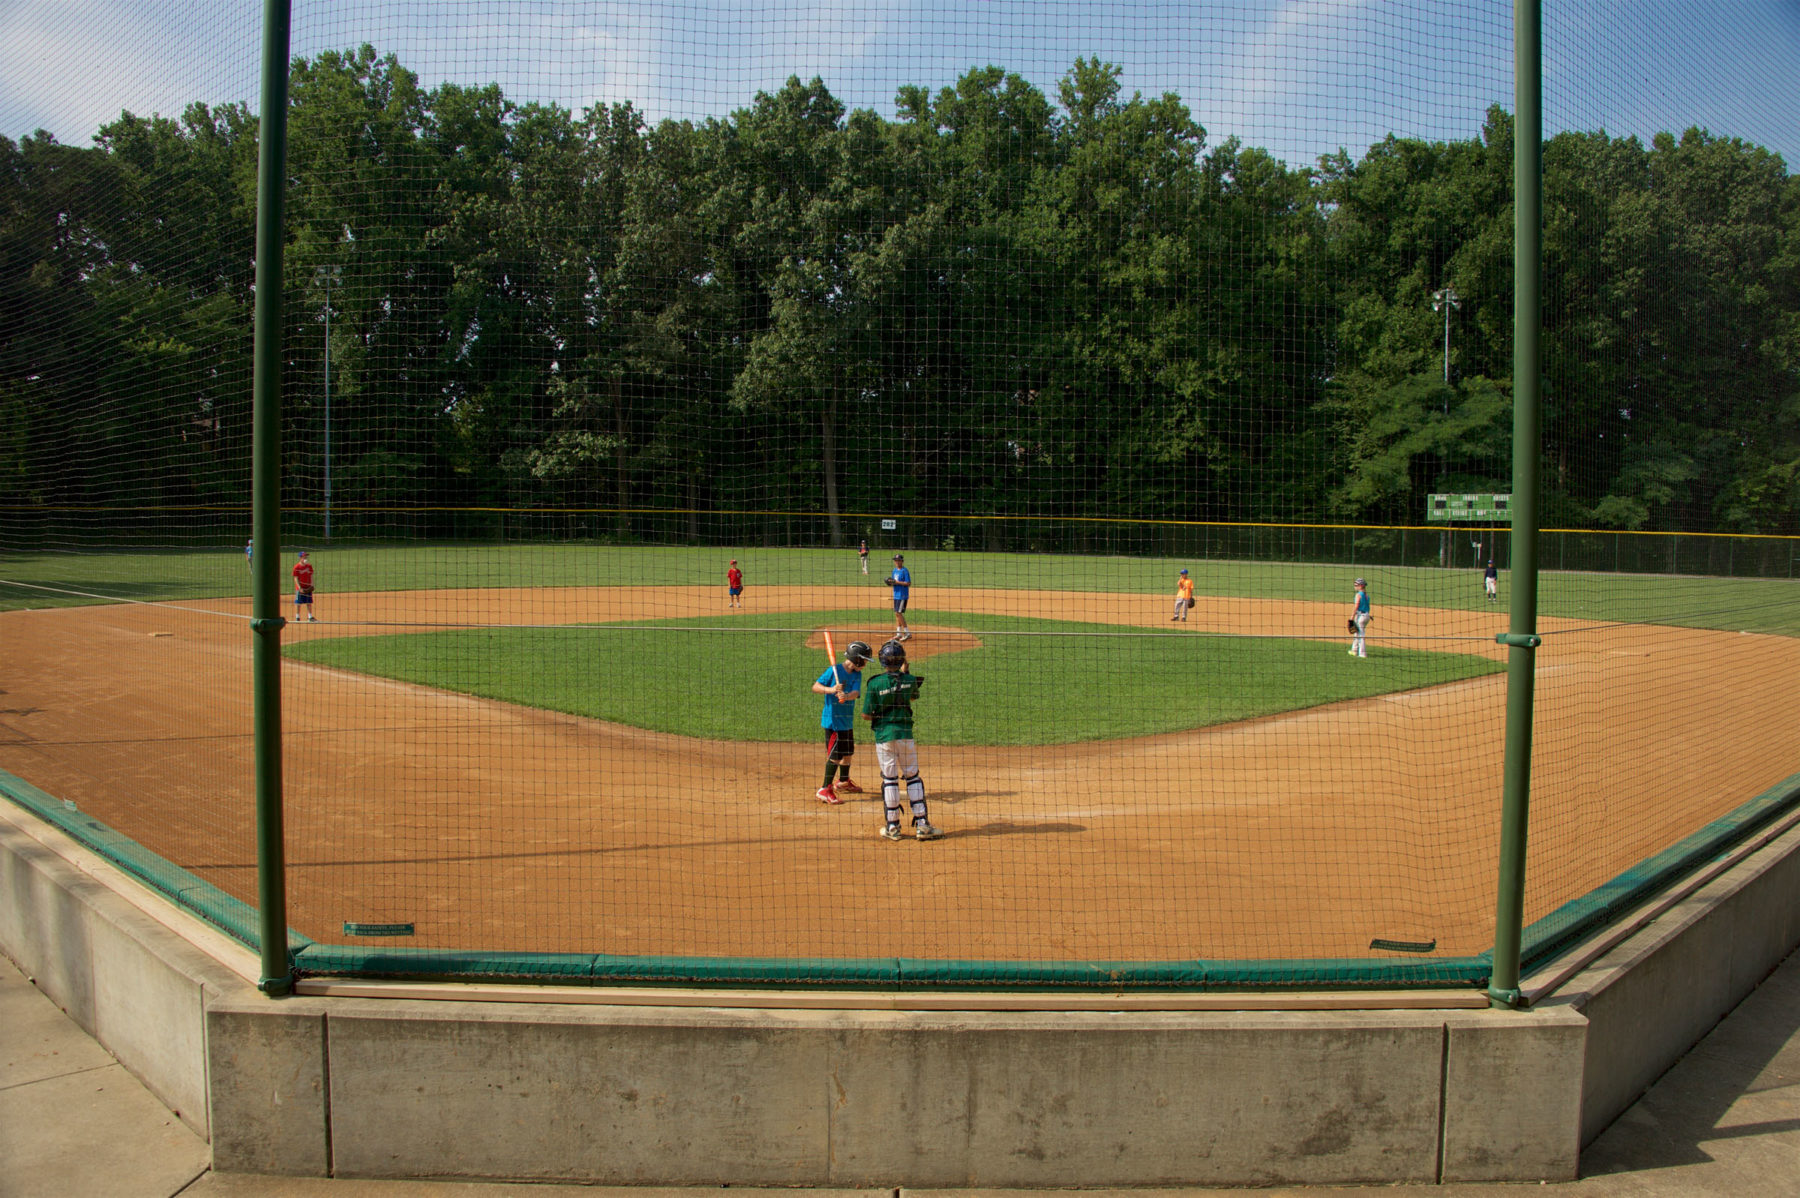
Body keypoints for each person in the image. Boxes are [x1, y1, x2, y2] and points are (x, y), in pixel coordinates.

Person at [863, 639, 940, 840]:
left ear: (882, 661)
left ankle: (892, 827)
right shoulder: (911, 680)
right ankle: (922, 826)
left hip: (884, 736)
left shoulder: (874, 683)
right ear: (902, 660)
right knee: (912, 777)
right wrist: (905, 675)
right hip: (905, 735)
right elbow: (911, 697)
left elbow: (866, 715)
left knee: (890, 779)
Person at [810, 640, 872, 804]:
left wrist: (846, 695)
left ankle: (843, 781)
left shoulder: (856, 674)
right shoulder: (833, 671)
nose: (865, 664)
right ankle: (824, 789)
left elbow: (856, 692)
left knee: (848, 753)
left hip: (847, 721)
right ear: (857, 659)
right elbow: (815, 687)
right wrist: (831, 690)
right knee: (835, 756)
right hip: (834, 722)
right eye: (865, 661)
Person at [885, 554, 912, 641]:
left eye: (898, 560)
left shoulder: (905, 571)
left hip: (902, 595)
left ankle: (907, 633)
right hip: (896, 595)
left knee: (898, 613)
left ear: (902, 561)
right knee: (897, 614)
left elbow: (908, 583)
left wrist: (897, 582)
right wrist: (890, 582)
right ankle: (898, 633)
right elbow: (894, 582)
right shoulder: (894, 571)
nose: (896, 562)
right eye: (895, 560)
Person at [293, 549, 317, 622]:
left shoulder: (309, 566)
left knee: (309, 602)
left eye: (306, 557)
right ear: (300, 558)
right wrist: (299, 588)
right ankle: (297, 617)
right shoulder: (296, 567)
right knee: (298, 603)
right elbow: (295, 578)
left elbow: (311, 575)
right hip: (300, 588)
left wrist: (312, 585)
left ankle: (310, 617)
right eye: (304, 557)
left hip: (308, 586)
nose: (306, 558)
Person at [1349, 577, 1370, 657]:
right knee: (1357, 633)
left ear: (1361, 586)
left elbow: (1356, 606)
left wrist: (1352, 617)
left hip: (1360, 616)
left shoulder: (1358, 595)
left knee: (1360, 635)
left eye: (1356, 585)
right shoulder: (1366, 595)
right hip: (1366, 616)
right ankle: (1354, 650)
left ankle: (1362, 653)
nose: (1354, 586)